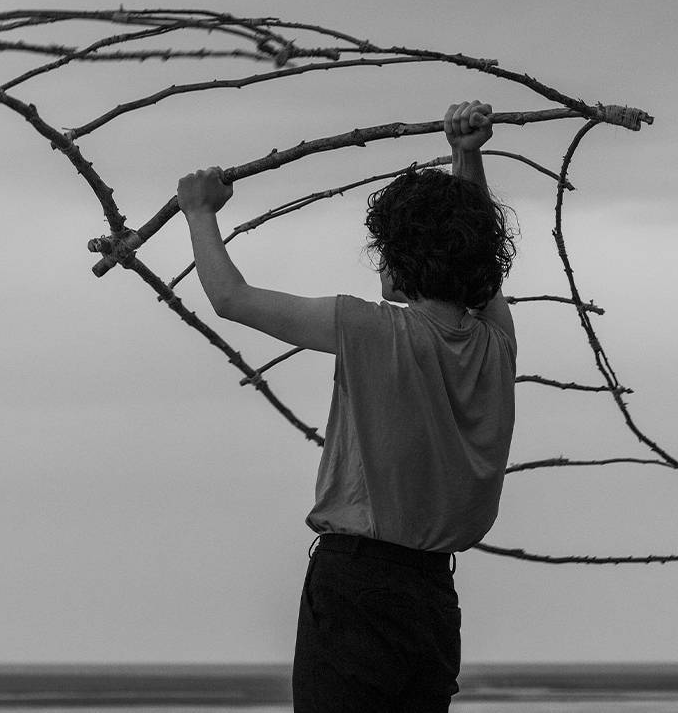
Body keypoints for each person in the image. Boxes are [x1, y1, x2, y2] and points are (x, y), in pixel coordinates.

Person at [176, 100, 517, 711]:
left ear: (399, 266)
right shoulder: (495, 342)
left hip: (359, 584)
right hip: (434, 596)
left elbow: (230, 297)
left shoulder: (372, 328)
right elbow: (476, 261)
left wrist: (199, 211)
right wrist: (468, 155)